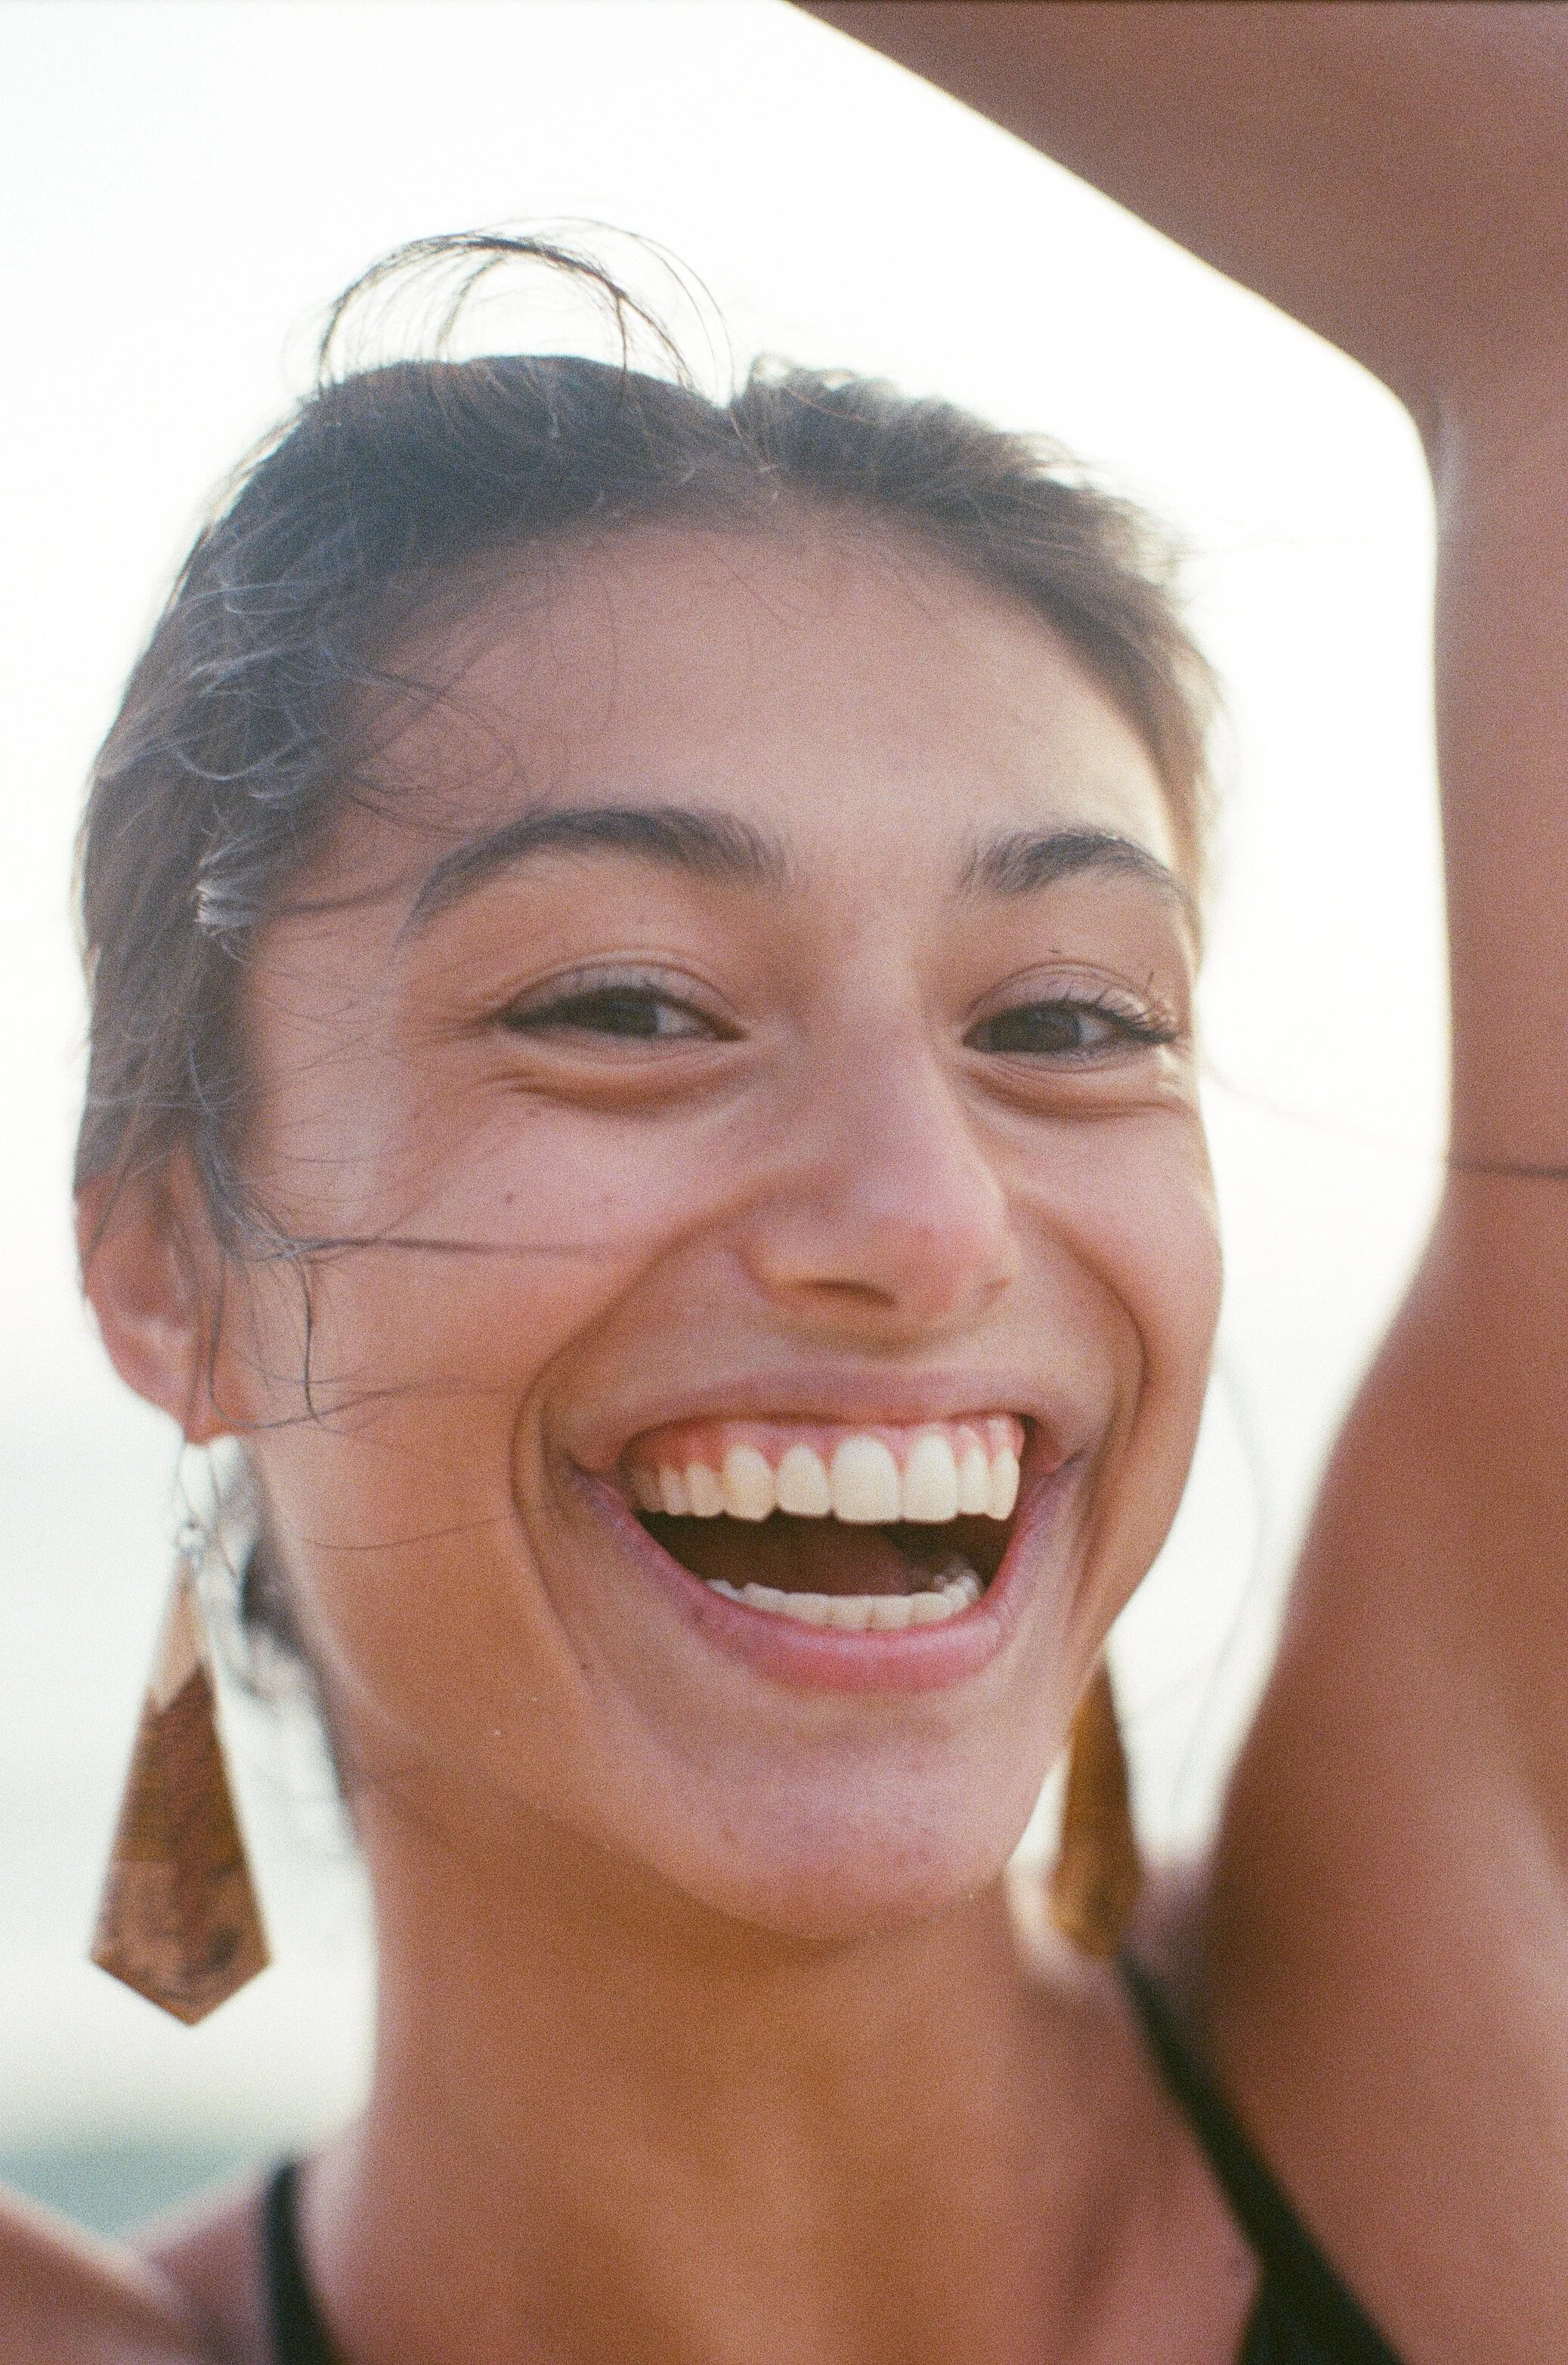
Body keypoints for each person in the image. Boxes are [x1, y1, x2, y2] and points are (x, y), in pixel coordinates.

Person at [7, 5, 1565, 2358]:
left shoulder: (1483, 2083)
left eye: (1065, 1020)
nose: (922, 1218)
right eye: (628, 1005)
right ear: (164, 1258)